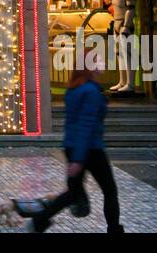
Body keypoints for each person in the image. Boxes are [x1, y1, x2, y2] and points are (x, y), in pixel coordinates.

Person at [14, 68, 123, 233]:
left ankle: (38, 222)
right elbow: (86, 125)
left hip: (72, 146)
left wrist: (74, 156)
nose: (101, 68)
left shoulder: (72, 90)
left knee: (72, 193)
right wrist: (78, 159)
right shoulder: (91, 91)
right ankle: (114, 229)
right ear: (89, 70)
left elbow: (74, 122)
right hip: (91, 148)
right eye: (97, 64)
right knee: (110, 191)